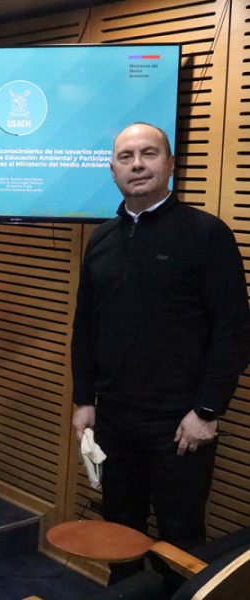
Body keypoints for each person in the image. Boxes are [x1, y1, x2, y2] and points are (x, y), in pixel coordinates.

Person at [71, 122, 250, 584]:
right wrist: (85, 400)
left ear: (170, 164)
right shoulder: (102, 240)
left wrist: (207, 410)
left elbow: (233, 331)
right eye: (126, 157)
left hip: (180, 425)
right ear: (112, 171)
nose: (137, 164)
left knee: (181, 540)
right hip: (114, 419)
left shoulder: (207, 234)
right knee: (119, 533)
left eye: (149, 154)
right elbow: (85, 328)